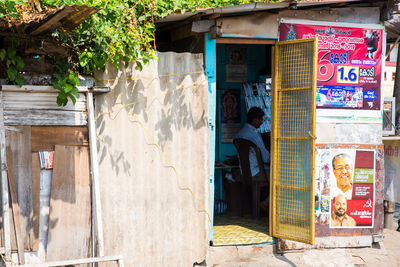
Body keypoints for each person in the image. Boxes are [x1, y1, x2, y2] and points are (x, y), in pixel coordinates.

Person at [235, 106, 270, 181]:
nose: (262, 122)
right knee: (281, 175)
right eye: (261, 119)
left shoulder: (240, 133)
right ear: (255, 120)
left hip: (244, 172)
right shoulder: (254, 134)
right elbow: (265, 158)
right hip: (256, 173)